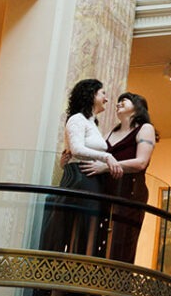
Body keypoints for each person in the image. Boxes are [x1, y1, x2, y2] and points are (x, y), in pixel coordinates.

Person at [80, 91, 158, 296]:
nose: (119, 103)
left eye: (126, 100)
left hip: (129, 193)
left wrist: (108, 166)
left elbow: (141, 162)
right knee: (100, 244)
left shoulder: (145, 129)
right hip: (107, 193)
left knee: (120, 245)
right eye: (119, 100)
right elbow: (97, 156)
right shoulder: (112, 131)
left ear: (138, 106)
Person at [40, 79, 118, 262]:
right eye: (102, 93)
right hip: (81, 179)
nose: (106, 99)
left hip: (90, 180)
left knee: (87, 231)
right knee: (72, 230)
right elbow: (76, 149)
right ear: (91, 95)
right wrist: (107, 157)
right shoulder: (77, 119)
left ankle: (82, 281)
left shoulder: (92, 123)